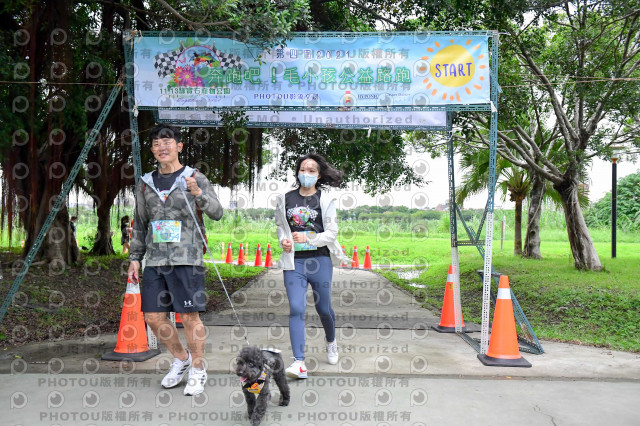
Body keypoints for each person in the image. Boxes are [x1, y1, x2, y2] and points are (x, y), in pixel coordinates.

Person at [127, 125, 223, 396]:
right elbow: (140, 223)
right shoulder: (145, 183)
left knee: (190, 316)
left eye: (167, 142)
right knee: (153, 317)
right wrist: (135, 258)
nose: (162, 147)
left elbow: (217, 212)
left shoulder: (194, 177)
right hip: (156, 260)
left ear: (179, 146)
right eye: (156, 143)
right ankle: (182, 359)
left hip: (186, 258)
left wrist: (198, 193)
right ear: (152, 149)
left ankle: (198, 369)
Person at [274, 153, 350, 379]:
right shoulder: (285, 198)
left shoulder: (325, 200)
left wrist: (309, 238)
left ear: (318, 176)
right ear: (297, 172)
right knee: (297, 309)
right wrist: (284, 241)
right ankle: (299, 362)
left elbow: (332, 233)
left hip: (320, 260)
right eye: (302, 170)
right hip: (294, 262)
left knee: (323, 308)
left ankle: (331, 341)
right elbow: (281, 227)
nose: (305, 174)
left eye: (311, 171)